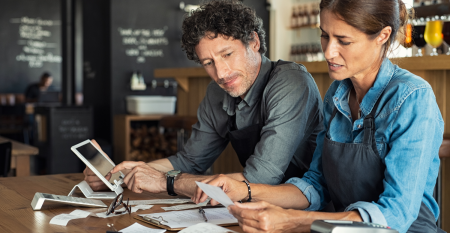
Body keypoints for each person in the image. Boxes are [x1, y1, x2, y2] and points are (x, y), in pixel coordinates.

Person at [193, 0, 445, 233]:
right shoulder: (337, 94)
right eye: (325, 35)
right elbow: (316, 184)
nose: (328, 52)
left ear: (383, 35)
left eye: (343, 40)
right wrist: (245, 191)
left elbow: (396, 215)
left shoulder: (413, 98)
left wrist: (293, 220)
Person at [84, 0, 323, 198]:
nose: (221, 73)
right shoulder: (217, 92)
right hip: (257, 207)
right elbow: (189, 160)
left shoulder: (290, 82)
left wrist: (167, 182)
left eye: (227, 54)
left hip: (308, 206)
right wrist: (122, 175)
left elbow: (260, 178)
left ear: (254, 42)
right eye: (208, 63)